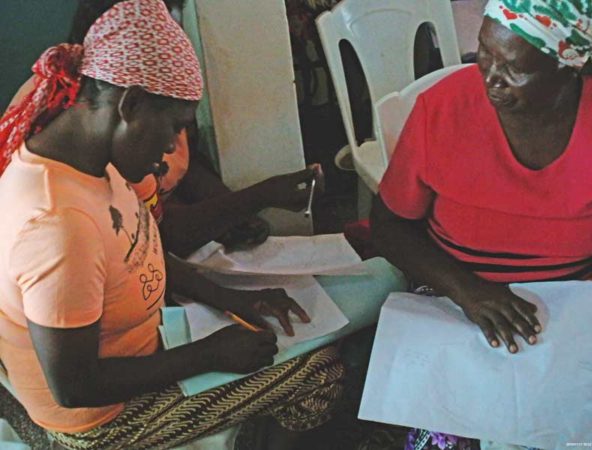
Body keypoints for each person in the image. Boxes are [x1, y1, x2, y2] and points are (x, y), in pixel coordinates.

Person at [0, 1, 343, 449]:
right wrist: (207, 354)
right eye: (173, 128)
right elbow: (76, 387)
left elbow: (140, 247)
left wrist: (234, 299)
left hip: (136, 347)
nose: (169, 148)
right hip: (97, 420)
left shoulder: (92, 160)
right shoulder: (57, 224)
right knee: (321, 374)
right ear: (131, 103)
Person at [370, 0, 592, 448]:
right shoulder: (443, 108)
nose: (491, 79)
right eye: (484, 53)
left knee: (567, 425)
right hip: (454, 298)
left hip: (578, 306)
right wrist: (467, 292)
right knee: (455, 429)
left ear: (570, 68)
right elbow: (388, 225)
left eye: (514, 69)